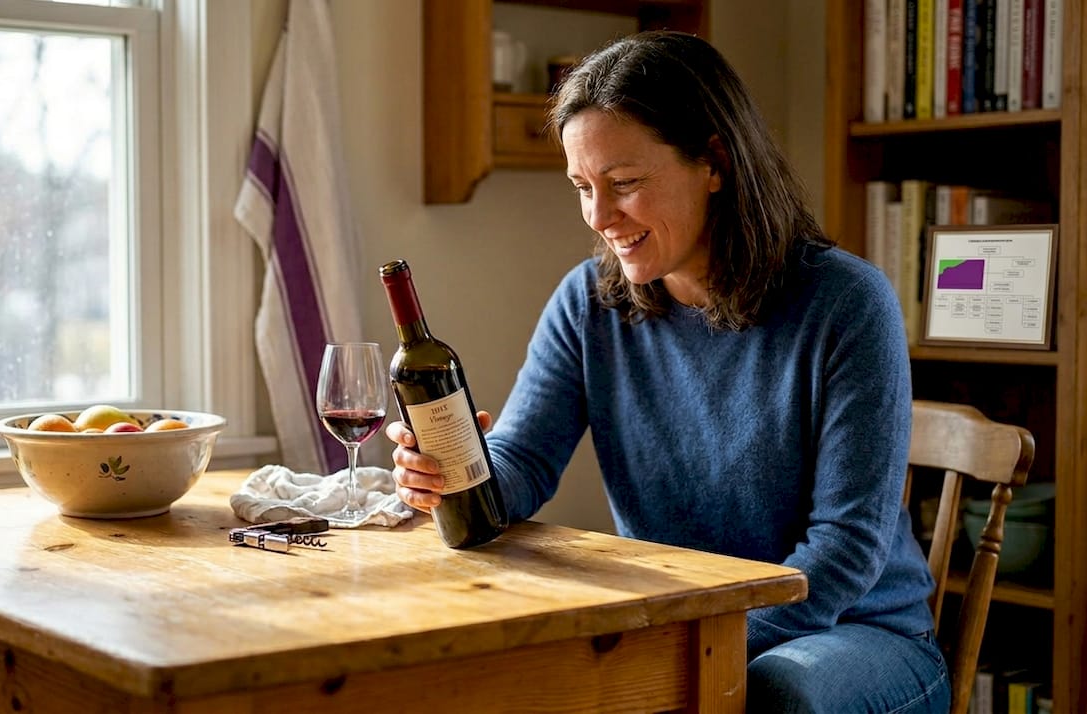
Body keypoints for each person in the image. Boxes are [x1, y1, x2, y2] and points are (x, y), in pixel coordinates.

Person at [385, 30, 949, 713]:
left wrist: (688, 651)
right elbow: (522, 464)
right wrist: (458, 474)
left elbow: (845, 551)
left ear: (714, 161)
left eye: (624, 184)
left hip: (858, 633)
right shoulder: (587, 304)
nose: (600, 217)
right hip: (686, 620)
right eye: (583, 188)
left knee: (775, 693)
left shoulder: (846, 303)